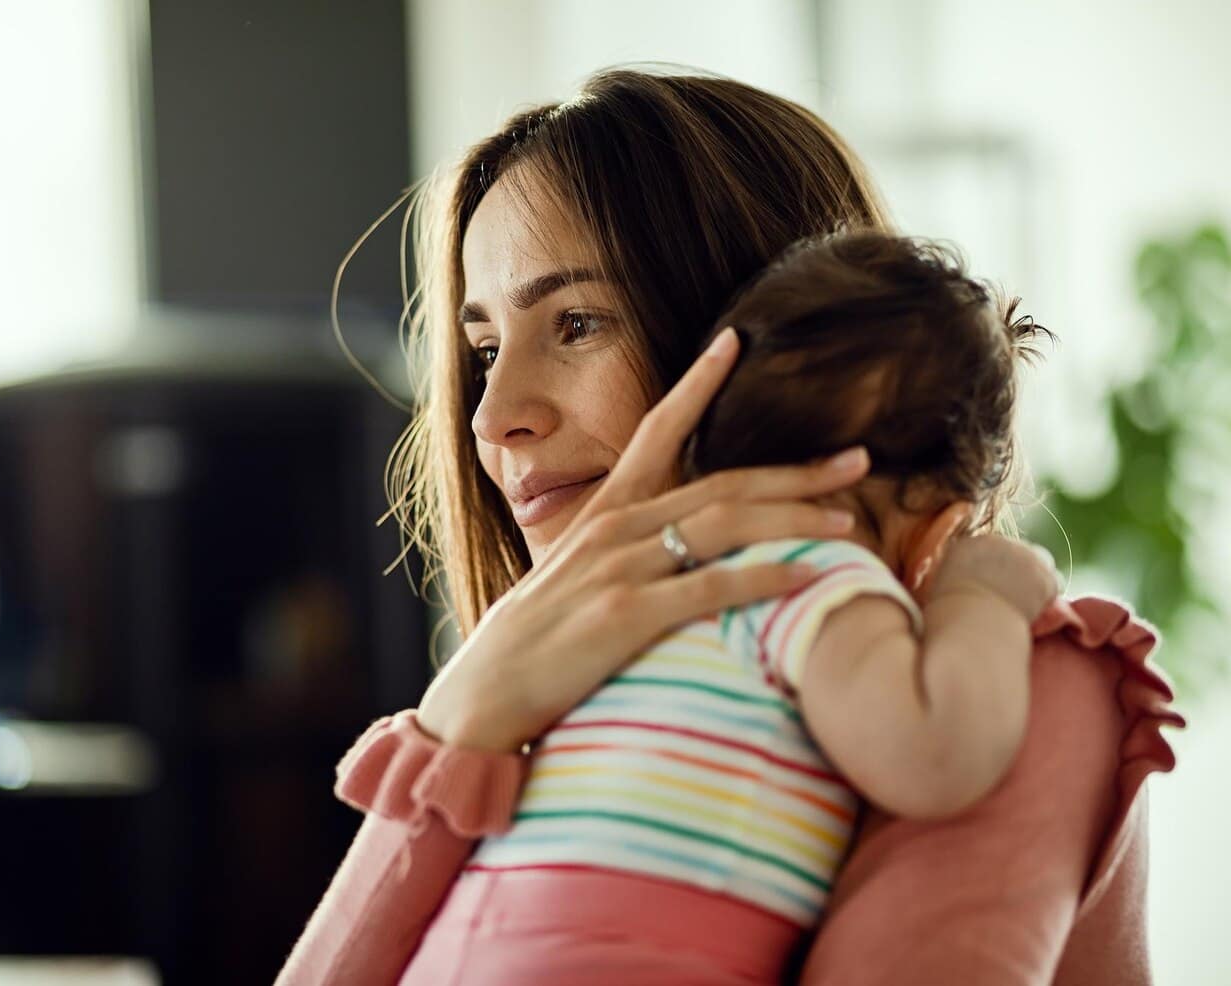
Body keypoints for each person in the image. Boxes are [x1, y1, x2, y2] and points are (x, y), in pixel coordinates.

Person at [275, 68, 1182, 986]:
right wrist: (459, 721)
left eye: (579, 322)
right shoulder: (537, 703)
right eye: (482, 351)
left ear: (781, 342)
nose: (490, 414)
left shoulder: (1022, 686)